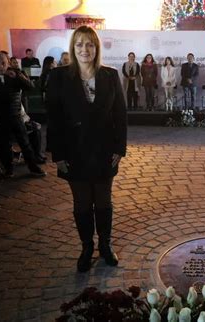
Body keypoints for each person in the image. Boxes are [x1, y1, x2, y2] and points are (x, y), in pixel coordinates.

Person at [47, 26, 127, 273]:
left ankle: (104, 245)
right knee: (82, 203)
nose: (85, 49)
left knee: (103, 201)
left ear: (97, 48)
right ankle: (86, 247)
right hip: (74, 152)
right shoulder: (59, 76)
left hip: (104, 151)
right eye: (80, 44)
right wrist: (57, 154)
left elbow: (120, 115)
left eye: (90, 44)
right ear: (73, 48)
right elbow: (54, 117)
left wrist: (119, 148)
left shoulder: (110, 75)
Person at [0, 51, 46, 178]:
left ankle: (33, 167)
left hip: (15, 115)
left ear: (7, 62)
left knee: (25, 143)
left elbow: (30, 87)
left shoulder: (15, 74)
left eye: (3, 63)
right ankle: (8, 169)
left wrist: (17, 77)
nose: (1, 66)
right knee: (4, 145)